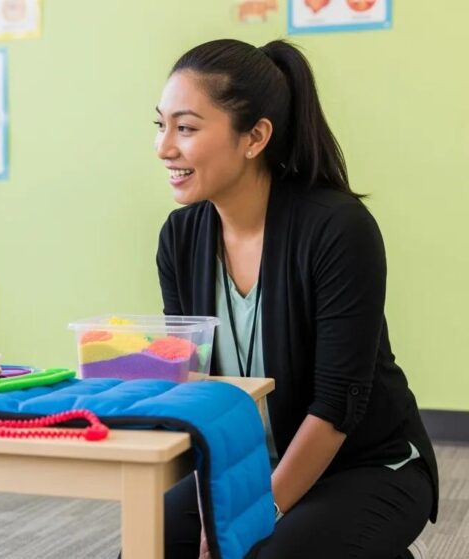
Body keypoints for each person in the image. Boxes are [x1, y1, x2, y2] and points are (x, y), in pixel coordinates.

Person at [153, 39, 437, 558]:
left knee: (268, 553)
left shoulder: (337, 228)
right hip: (248, 464)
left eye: (186, 128)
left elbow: (336, 408)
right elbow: (196, 384)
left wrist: (252, 514)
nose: (164, 147)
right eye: (160, 125)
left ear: (255, 137)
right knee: (148, 542)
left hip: (365, 464)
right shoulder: (180, 238)